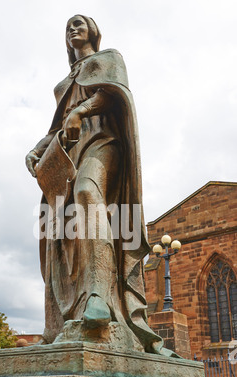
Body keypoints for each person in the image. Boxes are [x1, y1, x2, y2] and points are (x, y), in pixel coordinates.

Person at [26, 15, 177, 357]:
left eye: (79, 23)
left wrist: (81, 111)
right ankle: (60, 320)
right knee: (56, 228)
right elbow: (57, 125)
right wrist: (37, 150)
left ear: (93, 31)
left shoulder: (108, 59)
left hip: (103, 138)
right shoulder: (63, 83)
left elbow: (113, 97)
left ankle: (98, 296)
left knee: (86, 192)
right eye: (67, 27)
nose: (72, 29)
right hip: (68, 153)